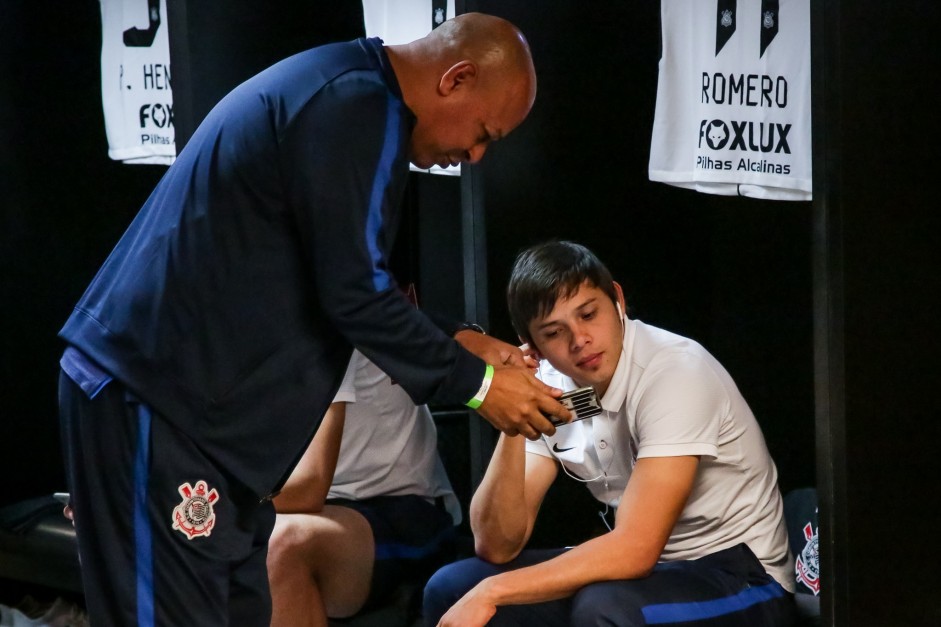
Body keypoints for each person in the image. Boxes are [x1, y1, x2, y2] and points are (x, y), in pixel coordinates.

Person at [56, 13, 570, 627]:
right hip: (157, 401)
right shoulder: (353, 105)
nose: (477, 155)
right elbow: (354, 294)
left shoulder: (354, 100)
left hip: (207, 427)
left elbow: (337, 282)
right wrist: (478, 386)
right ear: (456, 79)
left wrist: (458, 339)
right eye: (484, 132)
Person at [423, 241, 798, 627]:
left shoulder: (675, 372)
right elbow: (497, 545)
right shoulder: (551, 382)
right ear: (533, 346)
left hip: (741, 573)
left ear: (616, 298)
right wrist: (516, 415)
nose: (579, 339)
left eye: (588, 314)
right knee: (451, 586)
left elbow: (635, 549)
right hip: (651, 573)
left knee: (602, 606)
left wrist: (493, 591)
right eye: (554, 333)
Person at [267, 348, 462, 626]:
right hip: (323, 511)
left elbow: (310, 487)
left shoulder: (318, 326)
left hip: (405, 509)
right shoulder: (209, 347)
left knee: (282, 542)